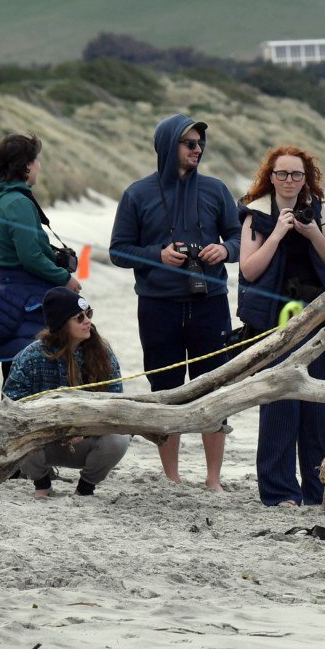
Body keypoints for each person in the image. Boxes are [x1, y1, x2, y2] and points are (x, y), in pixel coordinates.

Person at [109, 114, 239, 491]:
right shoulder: (137, 193)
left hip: (210, 302)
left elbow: (238, 237)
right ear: (169, 146)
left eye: (200, 143)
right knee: (165, 388)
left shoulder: (216, 190)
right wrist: (157, 256)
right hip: (157, 305)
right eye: (189, 143)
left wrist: (224, 249)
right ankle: (172, 477)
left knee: (215, 388)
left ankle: (213, 480)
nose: (198, 149)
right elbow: (118, 251)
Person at [237, 146, 325, 507]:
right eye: (281, 174)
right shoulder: (255, 213)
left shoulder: (317, 210)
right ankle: (280, 492)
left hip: (317, 317)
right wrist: (278, 233)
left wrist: (312, 232)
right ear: (270, 176)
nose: (289, 181)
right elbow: (249, 270)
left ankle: (318, 490)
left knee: (320, 405)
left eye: (296, 174)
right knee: (280, 405)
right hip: (274, 320)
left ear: (305, 177)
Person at [0, 133, 77, 384]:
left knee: (14, 372)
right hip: (26, 296)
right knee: (32, 371)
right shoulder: (18, 202)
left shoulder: (0, 200)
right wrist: (64, 278)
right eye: (36, 160)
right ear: (26, 165)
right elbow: (31, 257)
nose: (39, 166)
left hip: (7, 291)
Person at [2, 288, 131, 498]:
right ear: (61, 325)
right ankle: (42, 485)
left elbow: (116, 404)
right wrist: (54, 429)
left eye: (88, 314)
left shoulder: (102, 354)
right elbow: (10, 406)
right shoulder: (30, 357)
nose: (87, 321)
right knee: (16, 434)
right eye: (79, 317)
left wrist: (86, 430)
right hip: (43, 442)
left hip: (86, 442)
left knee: (119, 438)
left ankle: (85, 489)